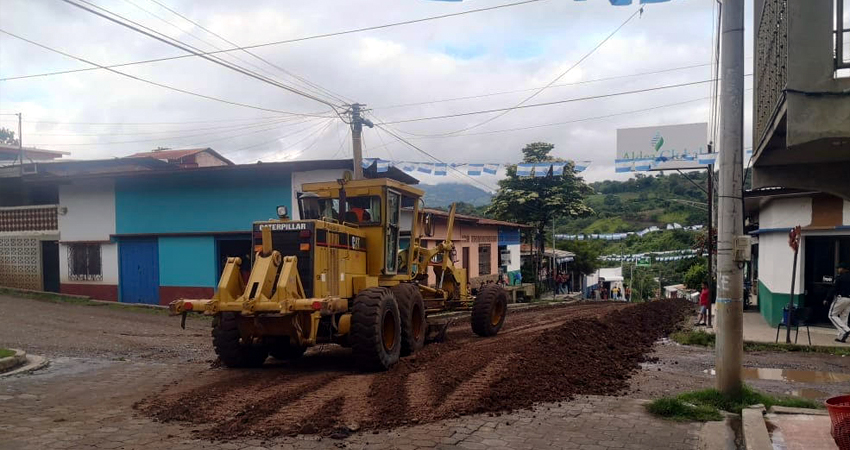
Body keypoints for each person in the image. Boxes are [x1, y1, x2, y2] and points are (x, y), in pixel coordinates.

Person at [824, 262, 850, 343]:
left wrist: (827, 299)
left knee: (831, 315)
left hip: (840, 298)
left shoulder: (840, 278)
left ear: (843, 269)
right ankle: (841, 337)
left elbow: (833, 289)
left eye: (839, 268)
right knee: (844, 317)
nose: (838, 270)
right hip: (849, 299)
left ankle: (845, 330)